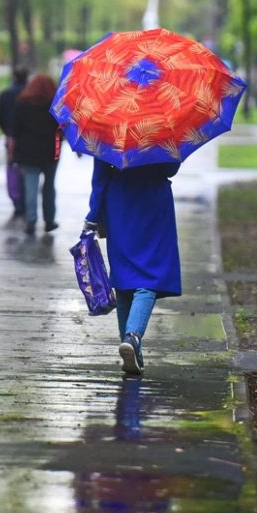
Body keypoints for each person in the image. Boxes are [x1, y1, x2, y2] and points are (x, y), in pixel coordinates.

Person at [85, 159, 181, 376]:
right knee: (149, 276)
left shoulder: (110, 136)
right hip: (154, 203)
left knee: (123, 278)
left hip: (119, 203)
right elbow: (170, 169)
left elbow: (100, 175)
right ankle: (133, 337)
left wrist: (93, 214)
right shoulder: (159, 135)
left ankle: (131, 349)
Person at [11, 74, 61, 236]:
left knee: (30, 186)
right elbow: (61, 128)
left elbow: (15, 129)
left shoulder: (22, 104)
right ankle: (49, 220)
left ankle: (31, 220)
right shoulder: (55, 105)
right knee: (49, 186)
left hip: (27, 152)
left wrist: (13, 149)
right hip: (50, 151)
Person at [0, 65, 29, 221]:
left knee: (12, 168)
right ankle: (26, 200)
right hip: (27, 137)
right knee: (27, 169)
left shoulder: (5, 94)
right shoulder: (31, 94)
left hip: (11, 138)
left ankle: (16, 201)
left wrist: (7, 132)